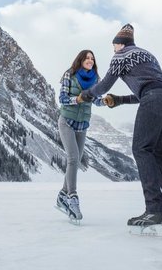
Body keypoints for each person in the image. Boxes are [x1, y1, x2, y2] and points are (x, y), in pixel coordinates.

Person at [79, 24, 162, 228]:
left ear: (118, 44)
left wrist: (87, 94)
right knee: (158, 152)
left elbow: (104, 85)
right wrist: (119, 100)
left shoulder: (121, 55)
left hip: (154, 98)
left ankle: (154, 210)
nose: (113, 50)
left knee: (141, 149)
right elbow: (148, 90)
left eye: (113, 46)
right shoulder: (148, 55)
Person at [55, 49, 101, 221]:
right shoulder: (70, 74)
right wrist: (78, 99)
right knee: (73, 158)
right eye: (87, 58)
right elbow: (62, 98)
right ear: (81, 60)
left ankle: (62, 195)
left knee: (77, 160)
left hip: (82, 124)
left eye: (92, 59)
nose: (90, 60)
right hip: (67, 121)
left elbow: (96, 99)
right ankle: (72, 198)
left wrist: (107, 101)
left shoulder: (96, 79)